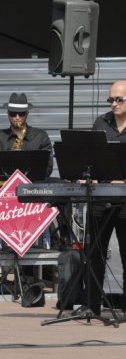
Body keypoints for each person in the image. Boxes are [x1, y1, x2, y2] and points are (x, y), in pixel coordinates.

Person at [84, 80, 126, 315]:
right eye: (111, 99)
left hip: (125, 202)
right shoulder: (102, 122)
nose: (114, 104)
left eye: (119, 99)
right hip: (101, 199)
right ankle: (91, 306)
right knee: (94, 254)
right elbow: (91, 154)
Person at [0, 93, 53, 195]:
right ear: (7, 114)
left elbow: (47, 169)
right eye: (13, 113)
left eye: (21, 113)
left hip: (32, 191)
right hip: (5, 192)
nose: (17, 117)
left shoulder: (41, 136)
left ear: (27, 114)